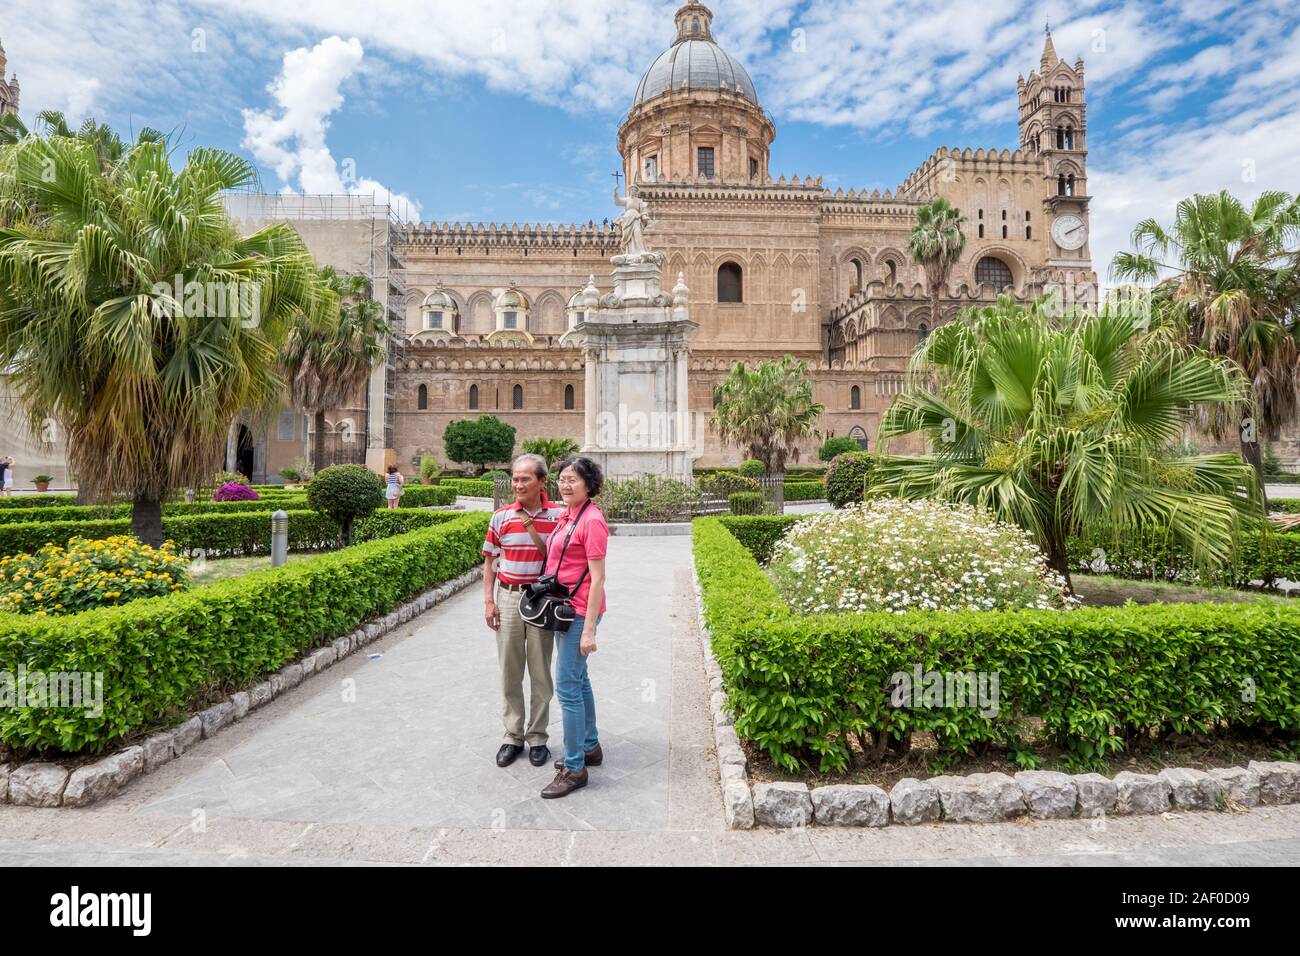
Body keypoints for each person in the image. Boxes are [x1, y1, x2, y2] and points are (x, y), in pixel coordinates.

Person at [482, 453, 565, 768]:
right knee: (509, 670)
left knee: (541, 671)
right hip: (508, 598)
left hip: (542, 603)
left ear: (542, 481)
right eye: (515, 478)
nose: (517, 484)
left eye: (524, 478)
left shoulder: (559, 517)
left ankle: (538, 737)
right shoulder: (501, 517)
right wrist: (489, 601)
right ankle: (512, 736)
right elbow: (489, 562)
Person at [541, 456, 608, 799]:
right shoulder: (568, 515)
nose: (565, 485)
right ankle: (589, 746)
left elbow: (598, 579)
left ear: (589, 484)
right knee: (579, 681)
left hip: (581, 612)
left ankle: (574, 767)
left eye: (573, 480)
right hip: (565, 609)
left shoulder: (592, 520)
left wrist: (589, 630)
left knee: (567, 687)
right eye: (562, 479)